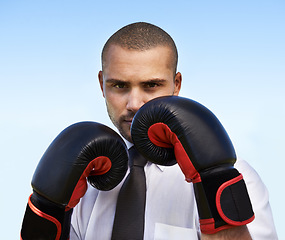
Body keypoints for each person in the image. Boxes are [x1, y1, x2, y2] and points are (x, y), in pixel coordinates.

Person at [69, 22, 277, 239]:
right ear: (102, 84)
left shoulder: (236, 177)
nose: (134, 104)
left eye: (151, 85)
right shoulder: (80, 179)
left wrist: (215, 182)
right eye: (120, 86)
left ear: (176, 84)